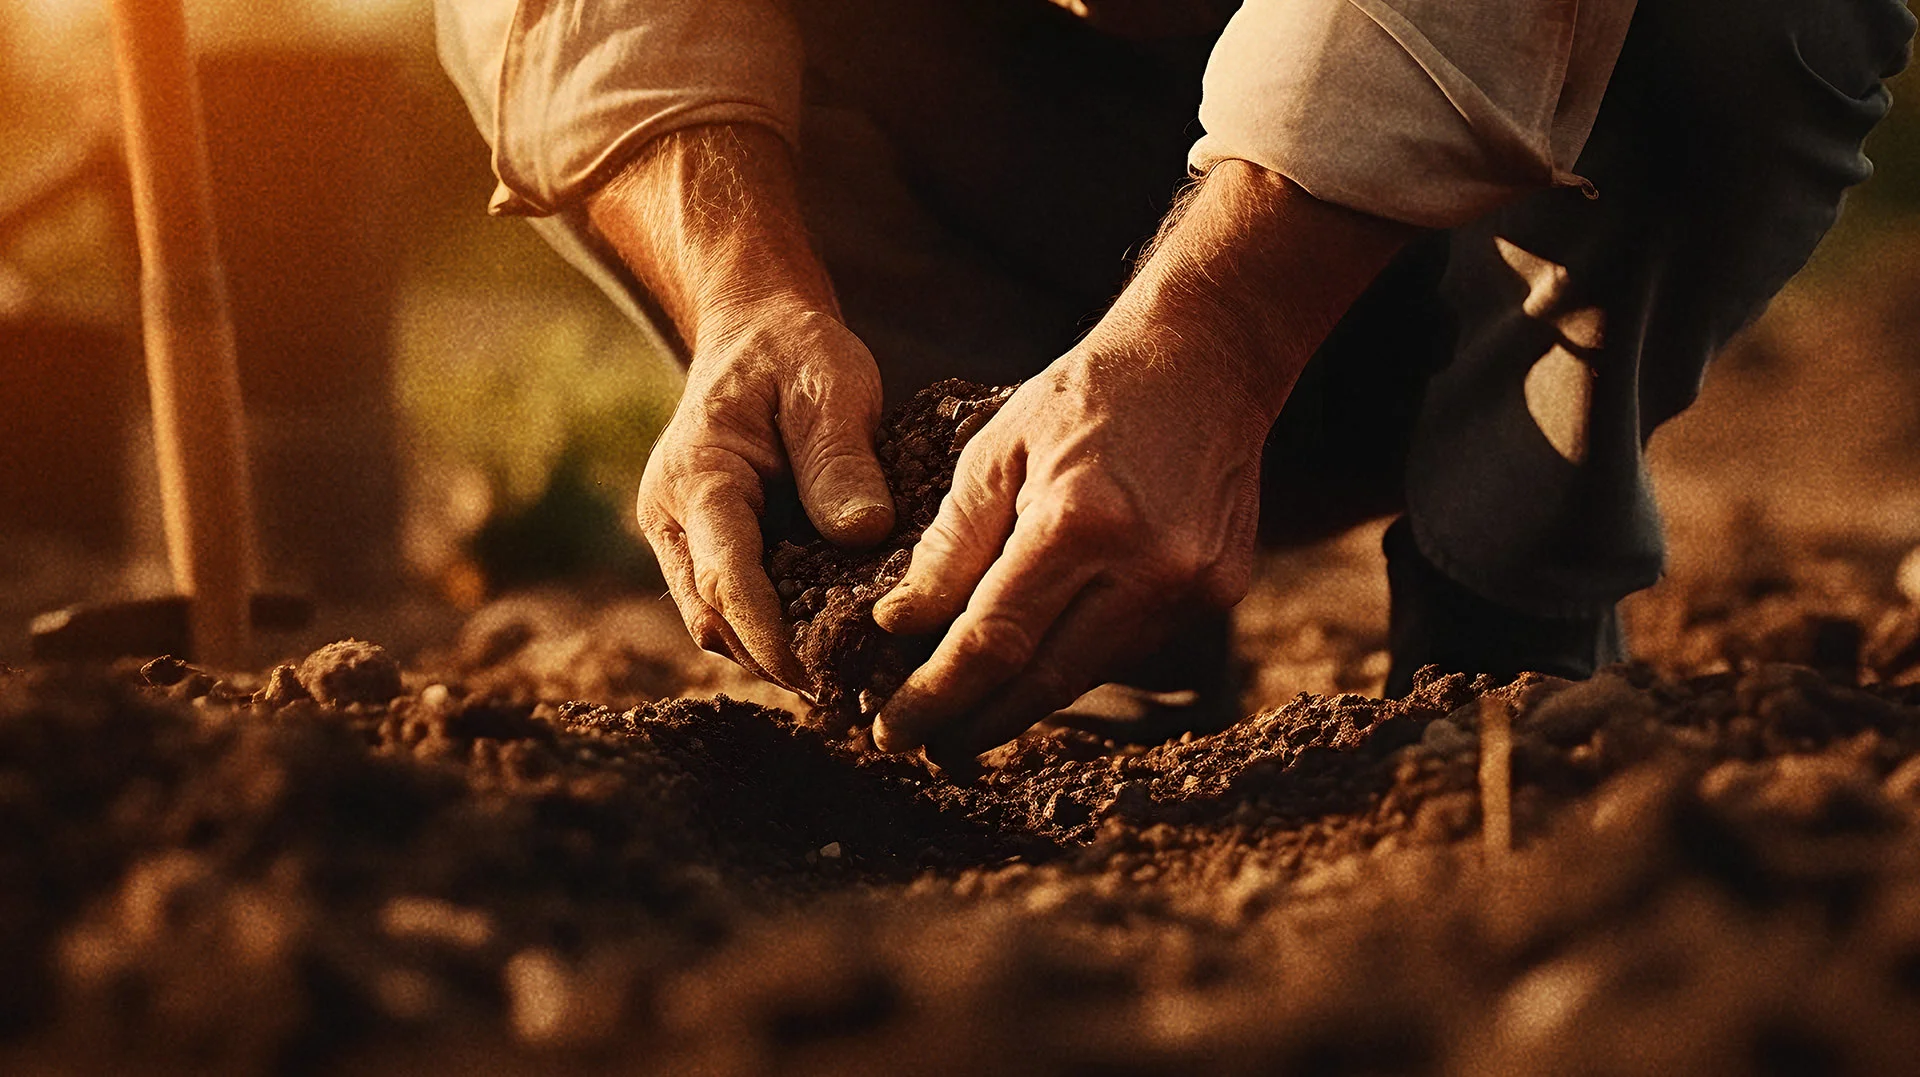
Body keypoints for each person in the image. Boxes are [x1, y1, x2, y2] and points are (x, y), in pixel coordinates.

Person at [438, 0, 1913, 765]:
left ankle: (1504, 593)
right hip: (1018, 147)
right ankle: (999, 567)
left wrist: (1213, 336)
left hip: (1434, 233)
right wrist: (745, 292)